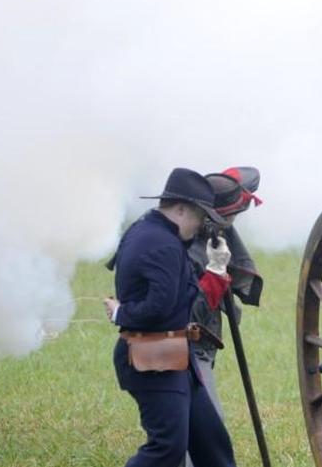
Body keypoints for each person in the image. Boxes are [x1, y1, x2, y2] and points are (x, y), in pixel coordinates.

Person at [103, 168, 237, 467]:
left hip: (173, 356)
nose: (200, 226)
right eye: (199, 217)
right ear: (179, 209)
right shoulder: (162, 244)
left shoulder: (149, 232)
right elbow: (159, 307)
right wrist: (122, 313)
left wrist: (215, 269)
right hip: (153, 360)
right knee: (166, 449)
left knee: (213, 449)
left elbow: (175, 295)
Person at [185, 167, 264, 428]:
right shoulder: (186, 247)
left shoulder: (206, 229)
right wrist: (217, 270)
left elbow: (243, 177)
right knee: (207, 426)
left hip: (198, 346)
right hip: (184, 347)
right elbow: (189, 313)